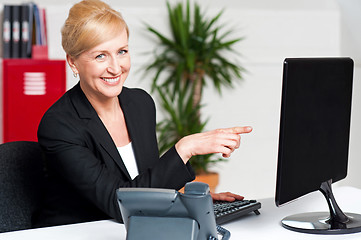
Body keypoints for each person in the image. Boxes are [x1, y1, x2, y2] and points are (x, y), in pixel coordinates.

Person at [33, 0, 253, 228]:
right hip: (75, 233)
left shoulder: (139, 103)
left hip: (129, 229)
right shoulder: (59, 125)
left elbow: (144, 187)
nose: (116, 68)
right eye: (100, 56)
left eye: (122, 51)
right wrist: (184, 148)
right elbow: (118, 203)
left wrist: (186, 201)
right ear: (73, 62)